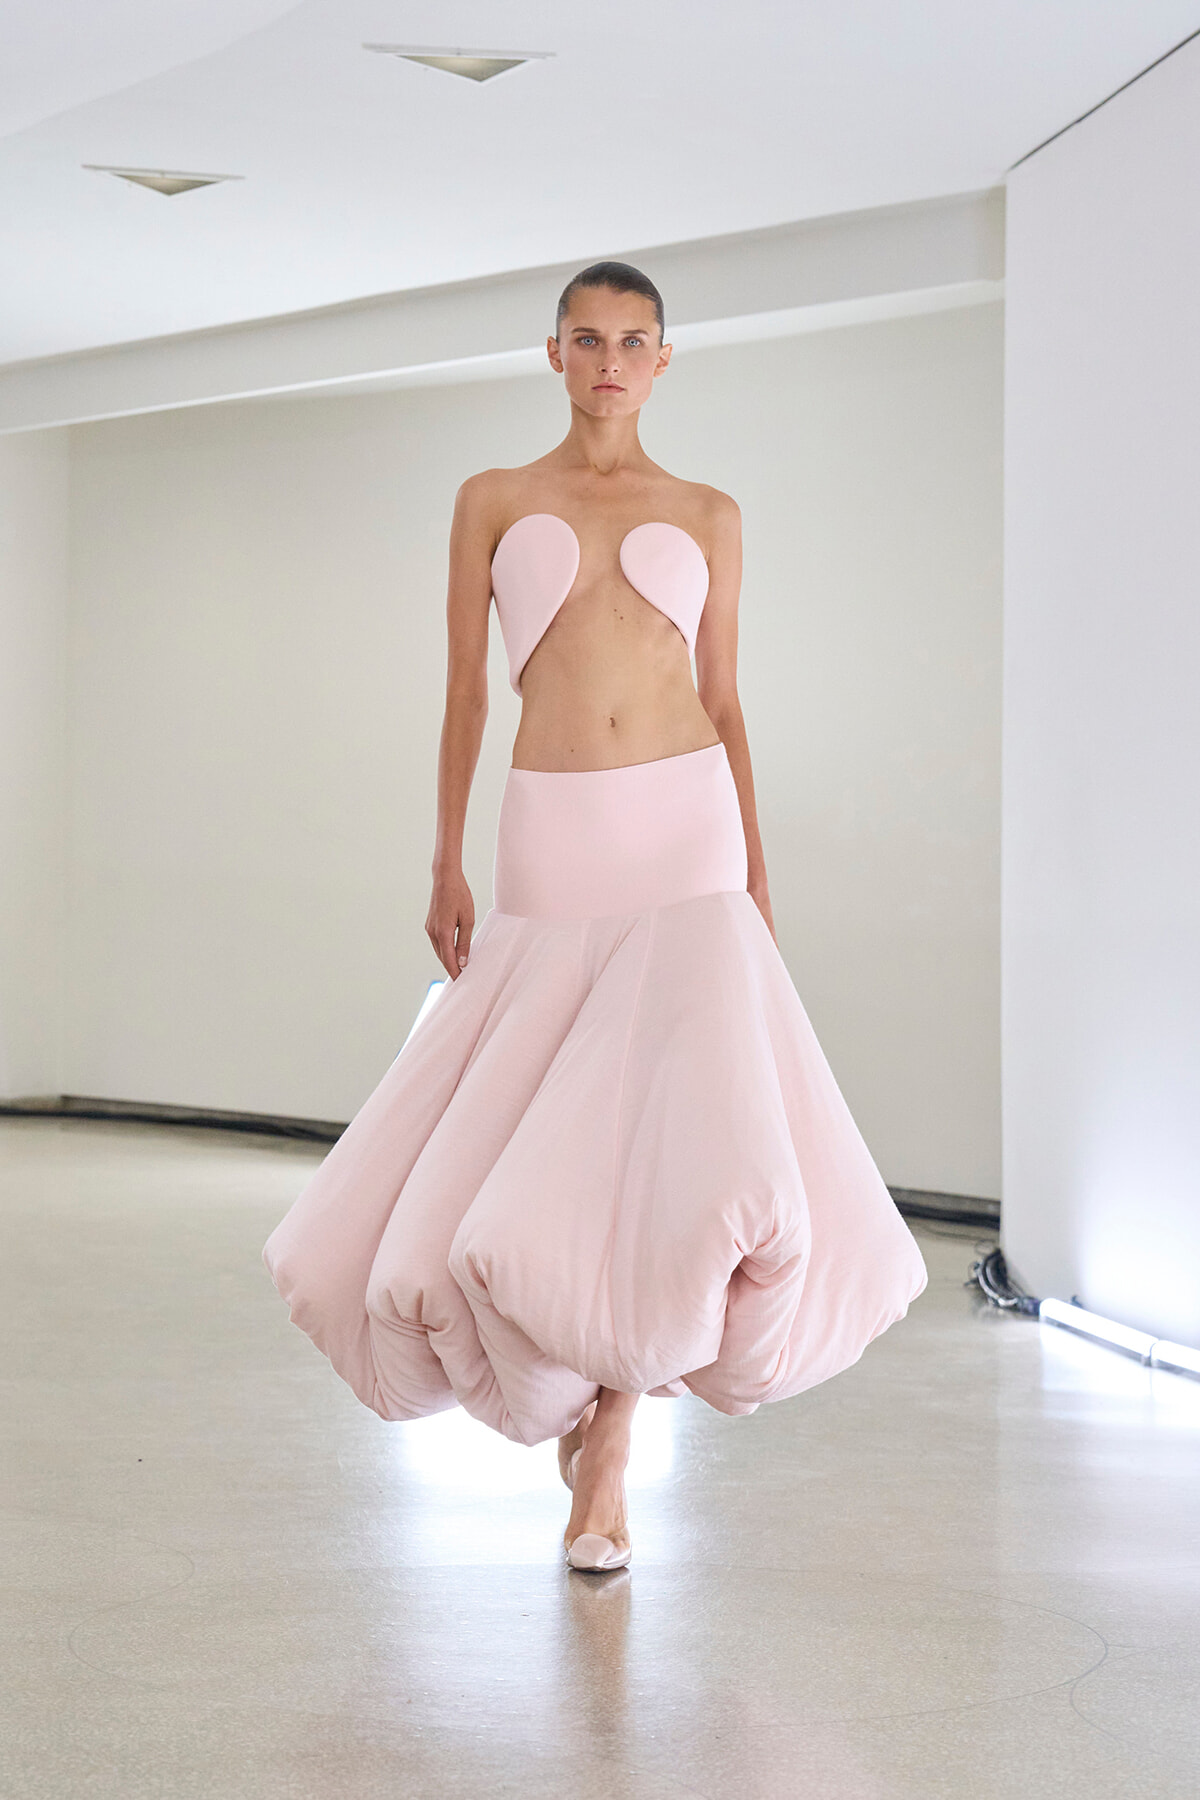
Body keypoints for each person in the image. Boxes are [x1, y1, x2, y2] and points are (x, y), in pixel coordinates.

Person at [262, 261, 928, 1573]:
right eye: (588, 339)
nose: (611, 360)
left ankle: (615, 1438)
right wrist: (444, 860)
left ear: (664, 361)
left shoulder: (712, 511)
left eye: (635, 341)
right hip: (553, 828)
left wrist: (760, 862)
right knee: (556, 1132)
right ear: (553, 354)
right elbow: (466, 694)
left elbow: (725, 698)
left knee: (672, 1136)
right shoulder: (494, 501)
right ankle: (570, 1393)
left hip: (689, 831)